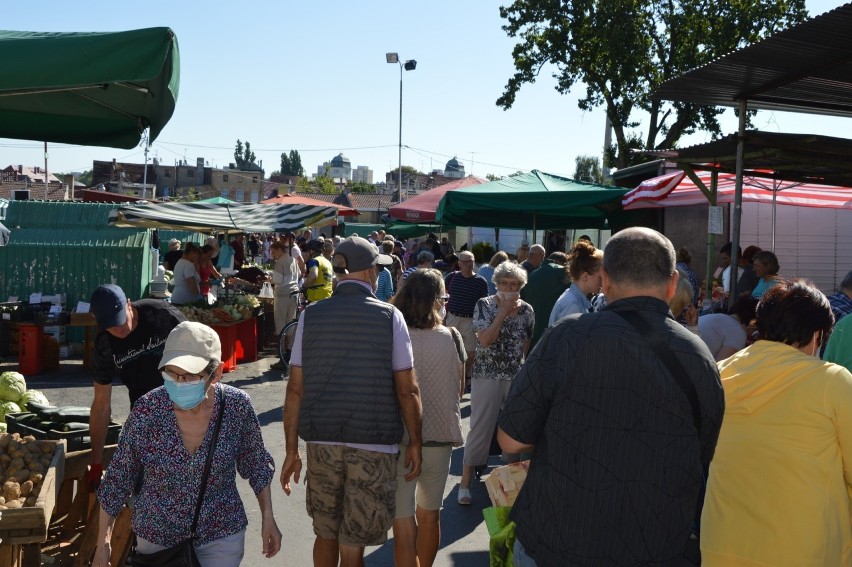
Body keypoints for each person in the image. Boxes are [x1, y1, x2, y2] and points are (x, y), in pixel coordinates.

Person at [498, 227, 725, 565]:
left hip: (558, 538)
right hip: (655, 545)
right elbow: (703, 449)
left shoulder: (567, 337)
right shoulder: (699, 355)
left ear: (604, 279)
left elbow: (510, 440)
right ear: (673, 283)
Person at [280, 235, 423, 567]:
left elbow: (295, 389)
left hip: (321, 441)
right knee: (354, 544)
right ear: (372, 272)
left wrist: (291, 450)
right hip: (373, 444)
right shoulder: (390, 317)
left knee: (325, 532)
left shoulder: (311, 315)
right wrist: (415, 441)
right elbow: (407, 390)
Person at [92, 322, 281, 567]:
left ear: (216, 374)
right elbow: (119, 477)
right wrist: (102, 543)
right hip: (158, 540)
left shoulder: (236, 407)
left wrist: (268, 517)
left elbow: (255, 463)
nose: (179, 383)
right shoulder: (147, 410)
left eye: (190, 375)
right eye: (171, 373)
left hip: (220, 534)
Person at [701, 279, 852, 566]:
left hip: (723, 542)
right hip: (806, 547)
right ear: (818, 334)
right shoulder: (831, 381)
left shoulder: (719, 373)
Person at [390, 269, 465, 567]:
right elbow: (459, 389)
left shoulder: (394, 335)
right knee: (430, 514)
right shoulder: (452, 336)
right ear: (437, 300)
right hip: (439, 436)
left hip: (401, 437)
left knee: (402, 517)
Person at [87, 284, 186, 490]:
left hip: (184, 408)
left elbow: (202, 357)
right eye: (111, 326)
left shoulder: (163, 316)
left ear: (129, 305)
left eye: (121, 321)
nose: (119, 330)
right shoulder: (105, 345)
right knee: (145, 488)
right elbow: (101, 405)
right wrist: (96, 462)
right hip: (144, 415)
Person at [458, 261, 534, 506]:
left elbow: (526, 344)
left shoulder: (527, 311)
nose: (509, 288)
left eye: (514, 284)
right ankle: (465, 483)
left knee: (513, 430)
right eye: (504, 283)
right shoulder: (485, 305)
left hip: (514, 376)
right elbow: (485, 340)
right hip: (487, 374)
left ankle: (509, 486)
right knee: (480, 428)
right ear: (496, 284)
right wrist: (502, 313)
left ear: (521, 286)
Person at [444, 250, 489, 381]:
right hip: (453, 318)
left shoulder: (481, 281)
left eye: (471, 261)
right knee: (451, 349)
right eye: (466, 261)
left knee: (471, 351)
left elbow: (483, 304)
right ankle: (453, 375)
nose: (469, 264)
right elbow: (444, 296)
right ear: (460, 263)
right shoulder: (451, 278)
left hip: (470, 320)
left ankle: (465, 376)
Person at [548, 240, 603, 326]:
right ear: (585, 277)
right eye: (600, 277)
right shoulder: (573, 305)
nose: (603, 281)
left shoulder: (574, 299)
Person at [520, 251, 569, 349]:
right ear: (562, 263)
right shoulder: (561, 274)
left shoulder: (532, 274)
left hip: (529, 332)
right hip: (549, 334)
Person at [269, 239, 300, 371]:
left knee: (281, 326)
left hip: (282, 295)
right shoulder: (293, 260)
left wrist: (269, 278)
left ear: (280, 250)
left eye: (274, 251)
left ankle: (282, 357)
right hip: (294, 294)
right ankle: (289, 353)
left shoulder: (280, 262)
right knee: (290, 325)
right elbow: (299, 275)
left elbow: (277, 280)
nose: (272, 254)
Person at [302, 239, 334, 303]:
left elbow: (313, 276)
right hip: (327, 296)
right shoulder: (328, 262)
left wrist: (303, 286)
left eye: (307, 251)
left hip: (316, 298)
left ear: (311, 251)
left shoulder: (314, 261)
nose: (306, 254)